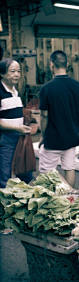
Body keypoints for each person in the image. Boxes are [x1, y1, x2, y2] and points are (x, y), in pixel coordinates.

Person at [39, 50, 79, 189]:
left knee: (46, 171)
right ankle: (69, 197)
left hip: (53, 139)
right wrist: (76, 128)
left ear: (51, 65)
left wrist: (42, 135)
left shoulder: (46, 88)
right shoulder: (77, 86)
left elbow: (44, 115)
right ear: (67, 64)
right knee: (69, 167)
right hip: (71, 137)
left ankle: (58, 198)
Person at [0, 58, 32, 189]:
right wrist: (16, 127)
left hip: (20, 137)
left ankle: (19, 200)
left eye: (18, 71)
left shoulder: (15, 90)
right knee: (4, 175)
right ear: (2, 73)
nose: (17, 74)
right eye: (12, 71)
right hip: (6, 138)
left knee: (25, 173)